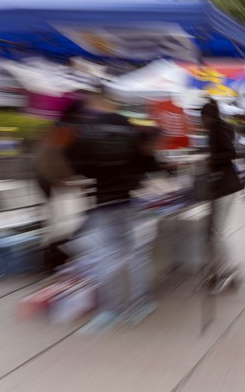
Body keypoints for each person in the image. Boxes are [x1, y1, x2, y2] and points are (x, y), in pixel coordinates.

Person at [66, 88, 166, 334]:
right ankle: (138, 304)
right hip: (126, 199)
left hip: (103, 200)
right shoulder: (129, 127)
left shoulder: (88, 129)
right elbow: (144, 163)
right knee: (134, 252)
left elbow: (78, 164)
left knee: (107, 254)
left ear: (95, 102)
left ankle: (110, 310)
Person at [200, 101, 244, 293]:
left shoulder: (217, 128)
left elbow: (230, 153)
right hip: (222, 186)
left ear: (207, 116)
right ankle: (217, 269)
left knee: (217, 233)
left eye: (203, 118)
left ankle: (228, 270)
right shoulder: (220, 127)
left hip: (223, 186)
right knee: (213, 232)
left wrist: (210, 160)